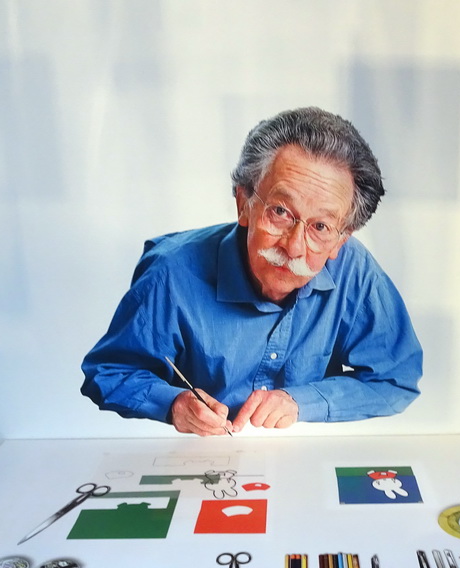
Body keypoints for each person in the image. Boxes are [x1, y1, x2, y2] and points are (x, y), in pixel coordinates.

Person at [81, 107, 422, 436]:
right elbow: (109, 372)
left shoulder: (355, 272)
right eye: (280, 211)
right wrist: (173, 405)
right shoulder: (170, 274)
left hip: (302, 463)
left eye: (320, 226)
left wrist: (302, 402)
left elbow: (395, 378)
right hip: (201, 458)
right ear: (243, 203)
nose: (294, 247)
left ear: (340, 240)